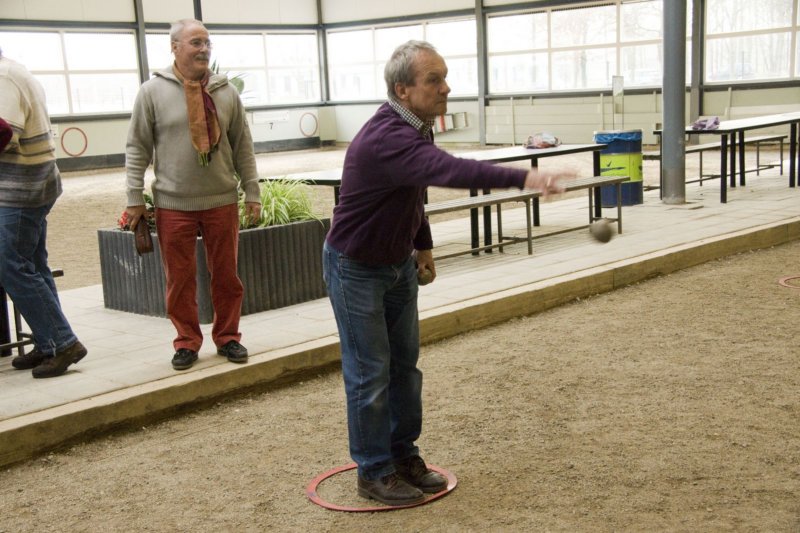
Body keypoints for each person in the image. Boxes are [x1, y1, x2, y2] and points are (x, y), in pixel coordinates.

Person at [322, 40, 574, 507]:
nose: (446, 87)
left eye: (444, 76)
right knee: (370, 372)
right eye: (433, 79)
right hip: (355, 267)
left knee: (405, 369)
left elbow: (413, 193)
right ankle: (373, 471)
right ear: (402, 89)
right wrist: (525, 177)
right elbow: (446, 171)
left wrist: (423, 246)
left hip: (396, 263)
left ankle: (403, 456)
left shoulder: (416, 127)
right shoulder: (388, 137)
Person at [125, 19, 261, 371]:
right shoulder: (151, 92)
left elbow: (243, 146)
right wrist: (134, 197)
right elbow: (136, 147)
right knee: (179, 279)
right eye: (195, 43)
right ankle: (186, 341)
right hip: (173, 204)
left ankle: (228, 337)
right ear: (175, 47)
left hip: (221, 199)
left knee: (227, 275)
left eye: (207, 43)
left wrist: (252, 192)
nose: (203, 49)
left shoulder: (225, 91)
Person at [0, 48, 88, 378]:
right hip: (31, 182)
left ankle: (63, 343)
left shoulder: (3, 76)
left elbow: (5, 131)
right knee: (33, 264)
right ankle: (48, 341)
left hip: (21, 186)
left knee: (10, 264)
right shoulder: (11, 70)